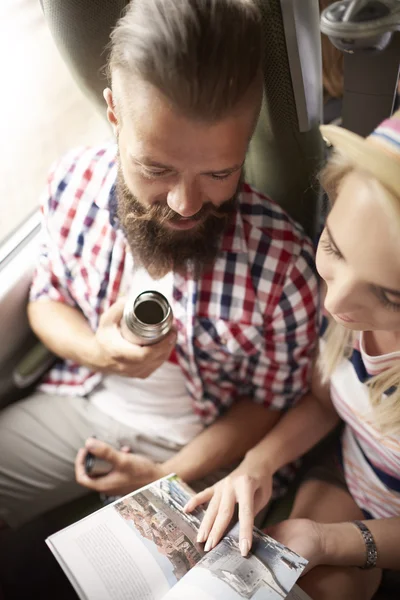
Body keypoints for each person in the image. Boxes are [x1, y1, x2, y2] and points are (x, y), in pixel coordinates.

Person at [0, 0, 318, 529]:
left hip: (203, 444)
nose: (184, 205)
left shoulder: (285, 268)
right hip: (82, 396)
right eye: (155, 168)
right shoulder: (70, 184)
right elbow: (46, 300)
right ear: (114, 114)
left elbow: (270, 403)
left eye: (220, 173)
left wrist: (165, 473)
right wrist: (97, 351)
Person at [186, 110, 400, 598]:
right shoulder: (349, 315)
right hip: (349, 473)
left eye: (391, 296)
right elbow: (326, 402)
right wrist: (256, 464)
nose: (334, 303)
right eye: (335, 249)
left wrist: (330, 540)